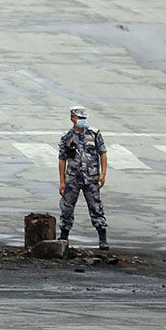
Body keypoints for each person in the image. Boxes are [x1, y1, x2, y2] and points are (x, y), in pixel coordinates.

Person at [58, 106, 110, 249]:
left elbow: (103, 153)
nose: (83, 120)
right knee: (67, 208)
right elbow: (62, 159)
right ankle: (64, 236)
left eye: (84, 118)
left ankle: (102, 237)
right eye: (80, 118)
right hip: (73, 179)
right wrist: (62, 181)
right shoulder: (67, 137)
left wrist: (103, 174)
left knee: (96, 207)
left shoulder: (94, 134)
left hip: (91, 178)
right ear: (72, 119)